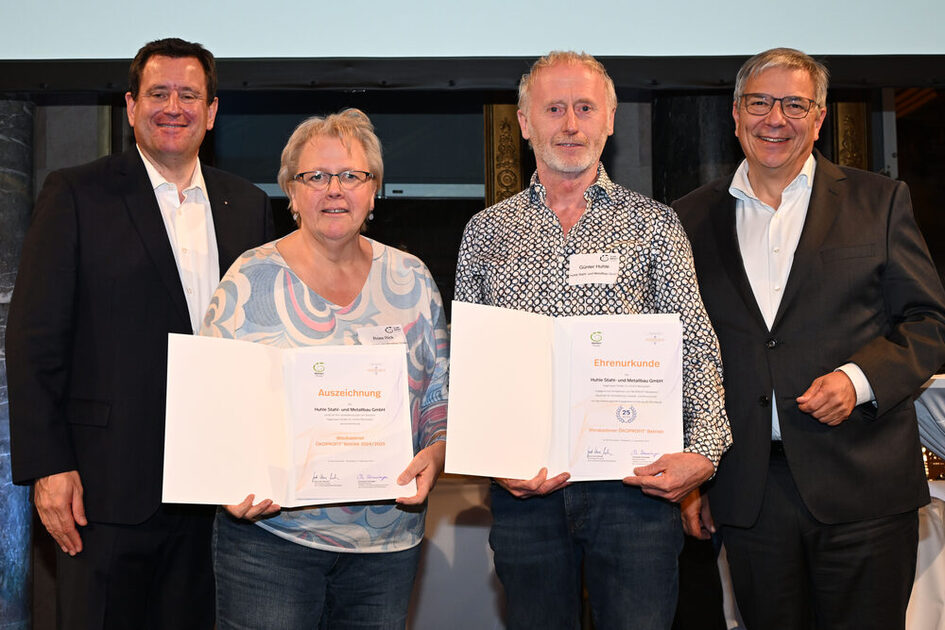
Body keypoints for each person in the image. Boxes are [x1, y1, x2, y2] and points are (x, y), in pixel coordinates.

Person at [454, 50, 731, 629]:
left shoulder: (654, 224)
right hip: (527, 489)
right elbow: (472, 359)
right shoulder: (487, 230)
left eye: (585, 108)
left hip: (633, 489)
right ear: (526, 123)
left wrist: (703, 452)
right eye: (554, 108)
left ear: (609, 119)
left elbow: (693, 338)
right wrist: (491, 456)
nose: (571, 124)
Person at [674, 47, 945, 630]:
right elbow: (679, 354)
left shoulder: (879, 201)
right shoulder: (689, 219)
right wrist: (693, 478)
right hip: (748, 493)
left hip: (864, 485)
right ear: (736, 112)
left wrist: (860, 379)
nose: (777, 119)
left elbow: (929, 321)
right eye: (761, 102)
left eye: (795, 104)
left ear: (820, 117)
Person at [6, 38, 273, 629]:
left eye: (188, 95)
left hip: (217, 499)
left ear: (211, 112)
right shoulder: (76, 194)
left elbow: (266, 345)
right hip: (104, 492)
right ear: (130, 107)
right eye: (158, 93)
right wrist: (48, 466)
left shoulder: (247, 206)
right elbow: (32, 340)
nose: (173, 107)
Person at [200, 108, 448, 629]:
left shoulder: (412, 278)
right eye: (315, 176)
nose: (334, 189)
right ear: (290, 192)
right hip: (271, 541)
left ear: (374, 189)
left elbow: (438, 395)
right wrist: (224, 480)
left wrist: (439, 450)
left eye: (351, 175)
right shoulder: (249, 278)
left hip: (386, 544)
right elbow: (210, 406)